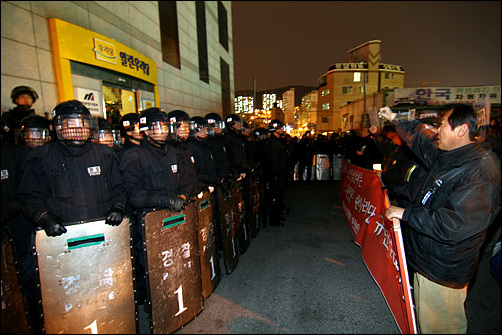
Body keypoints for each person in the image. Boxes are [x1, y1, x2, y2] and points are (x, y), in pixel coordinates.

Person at [379, 104, 501, 334]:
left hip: (442, 270)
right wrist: (396, 119)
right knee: (427, 323)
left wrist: (406, 213)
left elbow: (454, 224)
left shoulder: (479, 171)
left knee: (440, 327)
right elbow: (420, 140)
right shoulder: (452, 156)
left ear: (461, 129)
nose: (437, 131)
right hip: (429, 261)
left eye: (442, 125)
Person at [18, 100, 127, 235]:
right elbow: (29, 196)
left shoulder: (104, 154)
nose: (78, 130)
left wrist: (118, 206)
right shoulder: (41, 157)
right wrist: (43, 216)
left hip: (103, 229)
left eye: (83, 124)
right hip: (62, 233)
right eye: (70, 125)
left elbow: (117, 188)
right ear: (57, 127)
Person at [119, 107, 189, 305]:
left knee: (176, 261)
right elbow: (135, 196)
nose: (163, 131)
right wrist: (166, 201)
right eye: (157, 127)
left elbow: (186, 180)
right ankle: (156, 305)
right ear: (146, 131)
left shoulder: (174, 152)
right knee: (152, 266)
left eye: (165, 127)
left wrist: (182, 196)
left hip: (175, 217)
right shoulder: (134, 156)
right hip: (150, 223)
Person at [264, 119, 289, 227]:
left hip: (279, 174)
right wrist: (275, 176)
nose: (282, 130)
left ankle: (277, 215)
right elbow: (274, 161)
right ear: (275, 129)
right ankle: (274, 220)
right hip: (275, 175)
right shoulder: (273, 143)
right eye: (280, 128)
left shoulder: (277, 141)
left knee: (279, 196)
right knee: (274, 197)